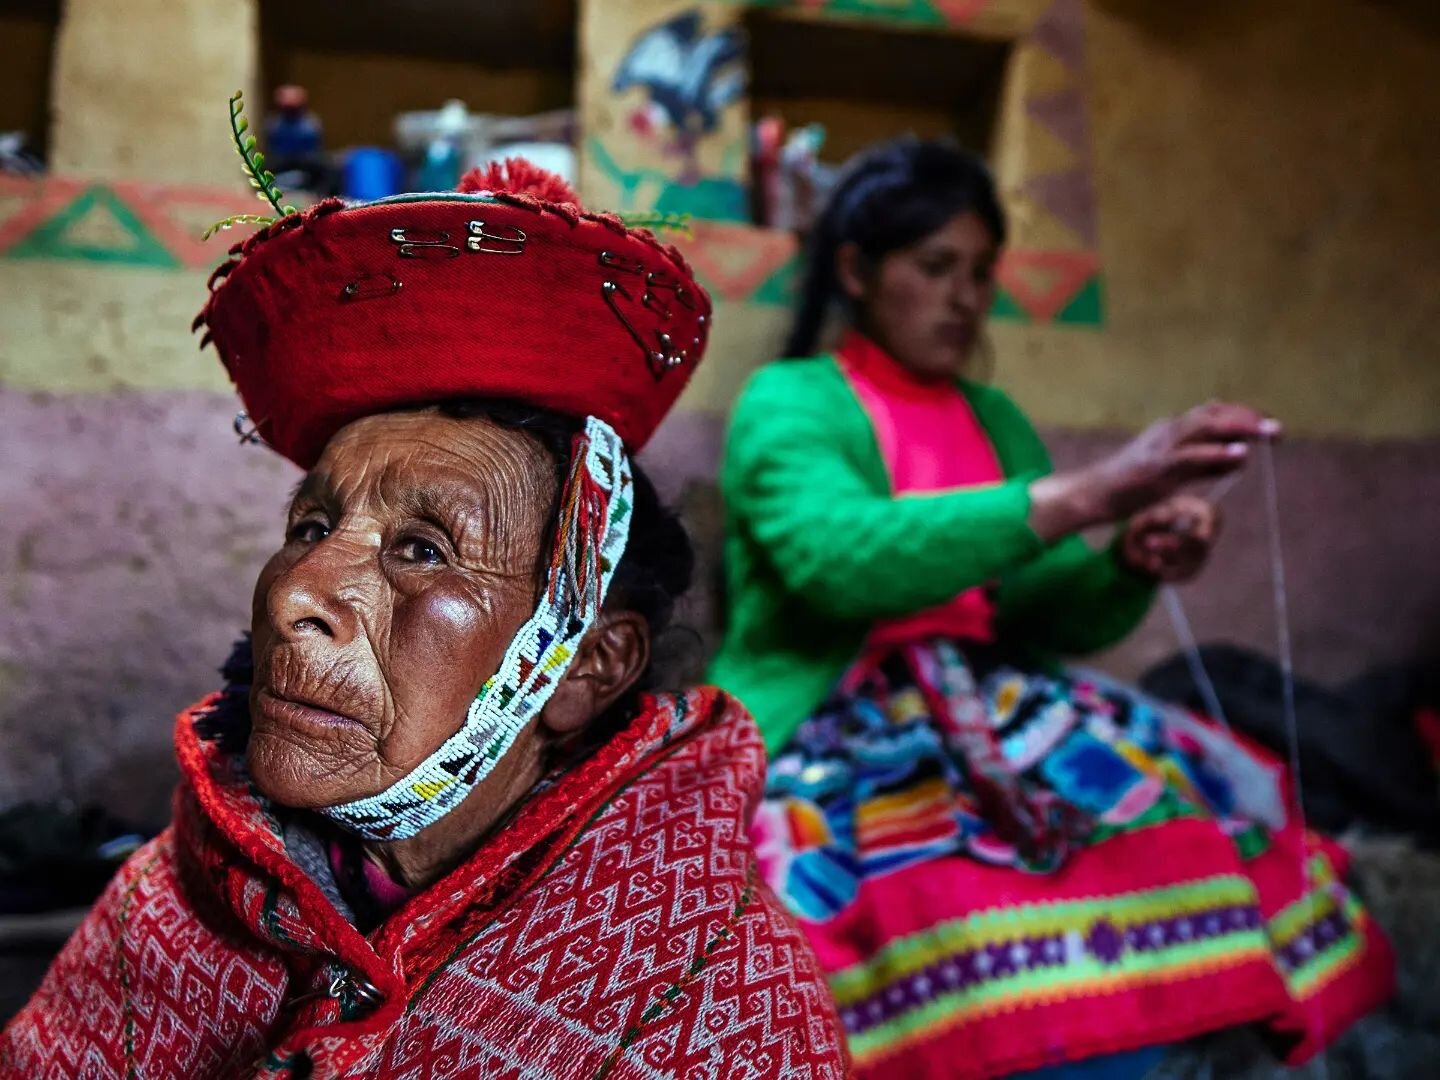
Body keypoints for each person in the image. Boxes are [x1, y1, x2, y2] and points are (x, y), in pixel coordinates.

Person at [0, 161, 847, 1078]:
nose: (294, 596)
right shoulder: (179, 894)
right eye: (311, 527)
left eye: (422, 550)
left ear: (586, 665)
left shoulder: (713, 1007)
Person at [708, 137, 1393, 1078]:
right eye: (935, 266)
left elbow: (1040, 613)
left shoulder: (994, 419)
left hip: (993, 705)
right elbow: (838, 560)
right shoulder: (788, 403)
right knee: (940, 904)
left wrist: (1127, 560)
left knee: (1188, 845)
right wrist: (1094, 493)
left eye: (982, 273)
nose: (964, 297)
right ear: (858, 271)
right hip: (834, 724)